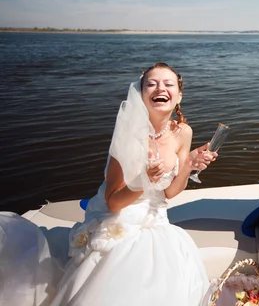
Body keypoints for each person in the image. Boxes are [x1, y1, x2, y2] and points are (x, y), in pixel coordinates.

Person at [46, 62, 215, 306]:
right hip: (120, 217)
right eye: (152, 84)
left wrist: (188, 165)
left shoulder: (183, 132)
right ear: (140, 93)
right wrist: (143, 182)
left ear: (179, 95)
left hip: (156, 217)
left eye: (168, 84)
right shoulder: (127, 134)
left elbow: (169, 192)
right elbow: (113, 203)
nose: (160, 88)